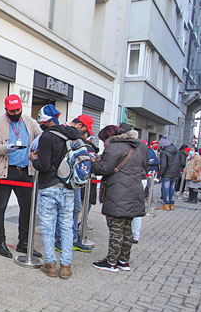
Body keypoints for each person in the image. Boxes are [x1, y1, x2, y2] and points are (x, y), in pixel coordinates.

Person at [29, 110, 82, 279]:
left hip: (49, 186)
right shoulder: (72, 135)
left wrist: (33, 159)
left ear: (45, 121)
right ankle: (66, 267)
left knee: (48, 226)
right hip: (68, 186)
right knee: (66, 226)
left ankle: (50, 265)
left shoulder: (47, 137)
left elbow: (43, 165)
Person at [0, 95, 42, 259]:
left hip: (25, 171)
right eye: (12, 111)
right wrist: (7, 147)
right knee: (0, 207)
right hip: (6, 171)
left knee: (27, 208)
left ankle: (24, 242)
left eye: (18, 110)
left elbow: (42, 134)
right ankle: (0, 242)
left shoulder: (29, 121)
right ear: (6, 110)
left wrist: (39, 140)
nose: (16, 113)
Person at [91, 126, 148, 272]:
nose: (103, 143)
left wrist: (95, 162)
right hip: (134, 191)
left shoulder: (114, 147)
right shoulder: (137, 146)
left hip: (118, 192)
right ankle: (124, 261)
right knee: (127, 229)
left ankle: (111, 262)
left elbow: (103, 169)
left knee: (116, 228)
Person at [51, 114, 96, 253]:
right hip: (62, 178)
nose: (86, 135)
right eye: (85, 131)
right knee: (63, 210)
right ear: (79, 126)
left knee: (76, 208)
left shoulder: (76, 138)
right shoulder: (60, 132)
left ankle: (73, 239)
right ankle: (59, 240)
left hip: (73, 179)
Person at [156, 136, 181, 210]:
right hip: (175, 172)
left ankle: (166, 204)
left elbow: (163, 165)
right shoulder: (177, 151)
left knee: (165, 188)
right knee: (172, 188)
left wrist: (160, 175)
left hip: (167, 173)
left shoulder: (164, 152)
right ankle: (172, 204)